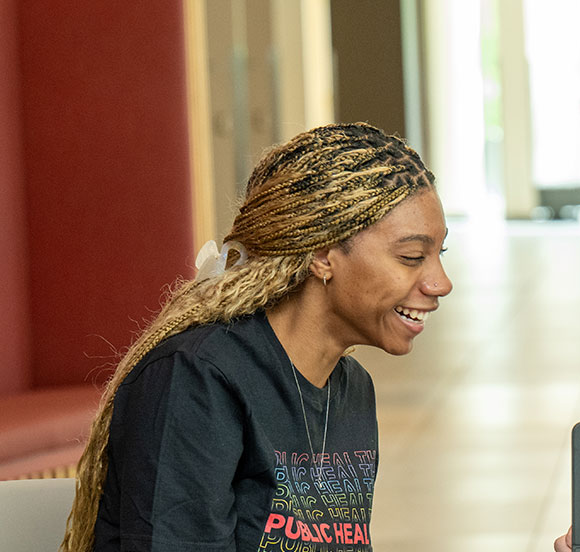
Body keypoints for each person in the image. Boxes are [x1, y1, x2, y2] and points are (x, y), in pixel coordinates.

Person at [60, 123, 453, 551]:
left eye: (439, 254)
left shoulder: (351, 389)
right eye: (412, 257)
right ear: (322, 254)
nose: (441, 282)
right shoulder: (196, 379)